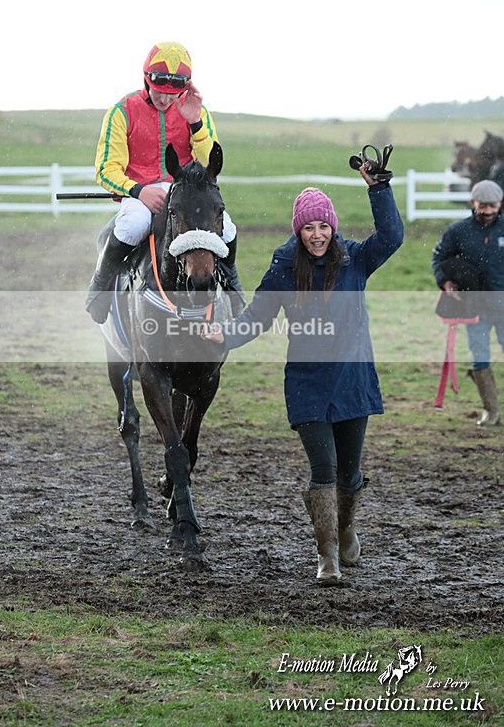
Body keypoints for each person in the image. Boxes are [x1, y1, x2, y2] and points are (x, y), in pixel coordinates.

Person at [201, 164, 404, 585]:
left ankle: (345, 527)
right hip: (308, 385)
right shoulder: (283, 269)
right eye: (308, 227)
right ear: (298, 231)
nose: (317, 235)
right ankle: (326, 556)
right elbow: (257, 316)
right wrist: (224, 334)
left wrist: (379, 190)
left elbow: (392, 237)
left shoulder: (355, 260)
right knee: (324, 471)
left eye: (323, 226)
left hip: (353, 381)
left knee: (350, 474)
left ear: (332, 228)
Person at [86, 41, 243, 323]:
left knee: (228, 229)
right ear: (147, 80)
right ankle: (99, 287)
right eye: (160, 91)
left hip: (184, 192)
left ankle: (232, 287)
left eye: (173, 93)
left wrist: (195, 123)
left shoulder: (197, 111)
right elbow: (106, 168)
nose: (165, 100)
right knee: (132, 226)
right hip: (139, 194)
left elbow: (211, 167)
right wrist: (137, 190)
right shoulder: (121, 111)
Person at [432, 179, 503, 426]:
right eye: (481, 205)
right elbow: (439, 257)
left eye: (491, 205)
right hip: (475, 307)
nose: (486, 211)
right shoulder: (457, 231)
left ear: (500, 203)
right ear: (472, 203)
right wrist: (445, 281)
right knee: (479, 355)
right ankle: (491, 411)